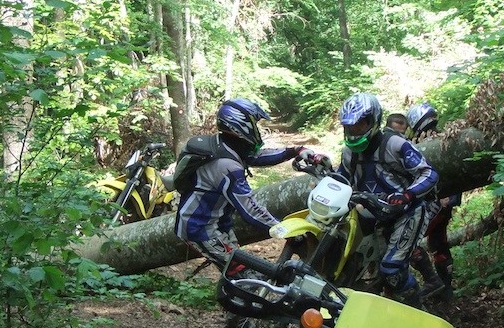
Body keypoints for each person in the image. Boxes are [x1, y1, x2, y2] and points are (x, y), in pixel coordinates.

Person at [174, 98, 325, 272]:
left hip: (218, 222)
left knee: (237, 267)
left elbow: (257, 157)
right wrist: (284, 230)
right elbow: (251, 211)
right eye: (255, 124)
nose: (257, 129)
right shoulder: (226, 166)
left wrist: (294, 151)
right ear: (241, 125)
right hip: (199, 228)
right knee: (242, 271)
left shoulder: (226, 144)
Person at [338, 93, 439, 306]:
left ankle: (417, 309)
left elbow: (428, 173)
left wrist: (407, 194)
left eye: (360, 124)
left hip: (407, 213)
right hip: (374, 218)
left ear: (373, 120)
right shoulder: (348, 153)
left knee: (392, 269)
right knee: (366, 271)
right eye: (350, 126)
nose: (355, 130)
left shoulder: (395, 144)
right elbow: (341, 179)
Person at [406, 102, 460, 301]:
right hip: (443, 201)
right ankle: (444, 290)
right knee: (438, 244)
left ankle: (435, 284)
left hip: (437, 203)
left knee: (408, 240)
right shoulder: (442, 138)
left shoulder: (426, 143)